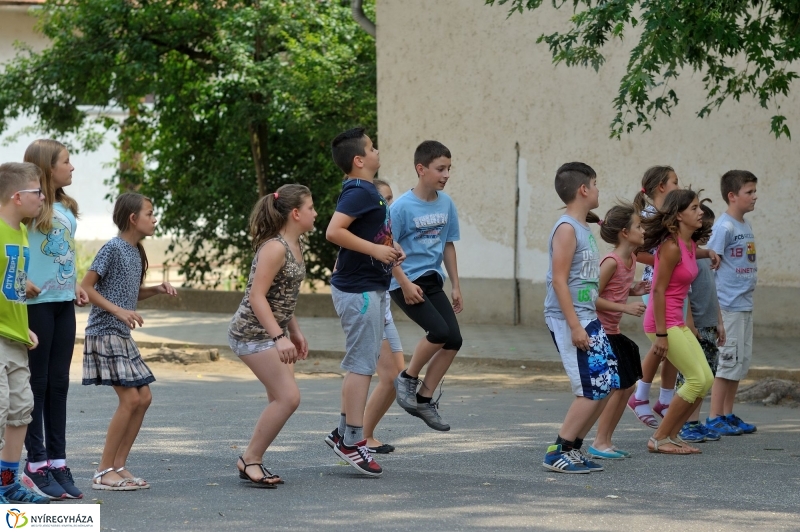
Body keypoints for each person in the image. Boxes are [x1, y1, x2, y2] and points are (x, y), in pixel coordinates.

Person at [80, 192, 177, 490]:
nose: (155, 218)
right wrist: (118, 311)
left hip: (120, 334)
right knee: (131, 399)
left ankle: (118, 465)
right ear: (133, 218)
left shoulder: (135, 252)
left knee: (144, 397)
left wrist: (155, 290)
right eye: (150, 213)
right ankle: (102, 472)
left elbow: (130, 292)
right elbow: (86, 287)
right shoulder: (112, 248)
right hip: (104, 332)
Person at [324, 127, 402, 477]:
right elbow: (334, 231)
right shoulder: (359, 191)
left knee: (363, 363)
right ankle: (352, 441)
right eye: (372, 147)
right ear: (359, 160)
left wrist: (388, 249)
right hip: (359, 292)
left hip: (367, 287)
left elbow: (367, 232)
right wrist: (376, 250)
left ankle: (344, 433)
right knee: (361, 366)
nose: (377, 150)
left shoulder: (367, 191)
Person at [229, 184, 314, 487]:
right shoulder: (274, 247)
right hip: (252, 333)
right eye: (311, 208)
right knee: (288, 397)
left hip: (274, 330)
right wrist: (280, 338)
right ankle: (249, 459)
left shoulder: (294, 245)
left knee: (279, 398)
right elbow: (257, 296)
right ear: (295, 213)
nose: (315, 213)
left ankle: (254, 457)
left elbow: (284, 297)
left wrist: (295, 331)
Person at [19, 140, 88, 500]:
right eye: (66, 161)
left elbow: (61, 255)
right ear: (48, 168)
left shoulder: (64, 205)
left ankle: (58, 461)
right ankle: (35, 463)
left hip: (63, 302)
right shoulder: (30, 205)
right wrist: (19, 278)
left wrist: (74, 282)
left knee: (60, 382)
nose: (72, 167)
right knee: (39, 384)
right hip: (37, 305)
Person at [541, 162, 618, 474]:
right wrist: (574, 326)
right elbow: (559, 281)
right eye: (596, 184)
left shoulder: (583, 227)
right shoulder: (566, 229)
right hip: (569, 319)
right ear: (583, 190)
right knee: (589, 388)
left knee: (607, 381)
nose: (598, 190)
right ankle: (556, 451)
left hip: (587, 316)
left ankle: (573, 447)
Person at [391, 140, 462, 432]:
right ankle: (407, 378)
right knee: (439, 332)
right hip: (404, 281)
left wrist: (456, 285)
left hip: (432, 280)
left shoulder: (447, 204)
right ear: (421, 169)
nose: (446, 174)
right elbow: (386, 248)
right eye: (440, 169)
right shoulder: (401, 208)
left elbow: (448, 245)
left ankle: (424, 398)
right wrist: (404, 283)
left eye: (449, 169)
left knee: (453, 340)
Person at [641, 189, 719, 454]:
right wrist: (661, 335)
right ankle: (659, 438)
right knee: (695, 380)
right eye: (695, 208)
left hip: (677, 322)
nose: (700, 213)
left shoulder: (688, 244)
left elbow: (692, 255)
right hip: (662, 323)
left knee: (706, 378)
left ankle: (672, 435)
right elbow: (658, 291)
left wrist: (708, 253)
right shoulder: (671, 246)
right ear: (679, 215)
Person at [0, 162, 50, 504]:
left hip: (15, 336)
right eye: (37, 192)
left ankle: (7, 483)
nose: (43, 198)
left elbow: (11, 287)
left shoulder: (19, 232)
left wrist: (24, 327)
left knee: (20, 410)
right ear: (17, 196)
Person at [587, 204, 649, 460]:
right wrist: (624, 306)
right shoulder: (611, 261)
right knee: (618, 386)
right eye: (639, 226)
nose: (643, 230)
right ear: (625, 232)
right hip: (602, 332)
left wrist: (635, 288)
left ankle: (605, 440)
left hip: (614, 330)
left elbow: (617, 288)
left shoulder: (631, 258)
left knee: (627, 385)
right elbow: (591, 298)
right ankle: (599, 442)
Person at [628, 166, 682, 427]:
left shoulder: (671, 213)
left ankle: (666, 398)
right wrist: (666, 264)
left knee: (674, 346)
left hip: (676, 288)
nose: (679, 185)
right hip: (656, 287)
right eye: (675, 181)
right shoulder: (649, 215)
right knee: (662, 343)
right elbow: (637, 253)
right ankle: (639, 396)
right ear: (662, 187)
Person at [706, 170, 759, 435]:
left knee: (739, 362)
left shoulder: (744, 225)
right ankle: (715, 416)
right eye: (749, 192)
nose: (754, 197)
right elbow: (710, 265)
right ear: (732, 196)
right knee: (726, 362)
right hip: (727, 306)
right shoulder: (724, 227)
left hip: (744, 304)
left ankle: (727, 414)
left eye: (754, 191)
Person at [676, 202, 726, 443]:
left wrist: (720, 322)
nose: (708, 232)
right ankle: (683, 423)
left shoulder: (703, 256)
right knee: (691, 376)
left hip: (708, 325)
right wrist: (690, 325)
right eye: (705, 227)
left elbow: (712, 293)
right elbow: (683, 293)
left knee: (708, 374)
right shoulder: (687, 257)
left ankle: (694, 421)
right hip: (694, 327)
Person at [362, 179, 405, 454]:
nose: (388, 205)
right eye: (384, 200)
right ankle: (356, 436)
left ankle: (363, 435)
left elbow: (392, 251)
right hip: (368, 306)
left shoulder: (384, 230)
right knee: (376, 374)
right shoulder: (363, 231)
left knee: (396, 377)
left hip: (383, 307)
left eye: (390, 200)